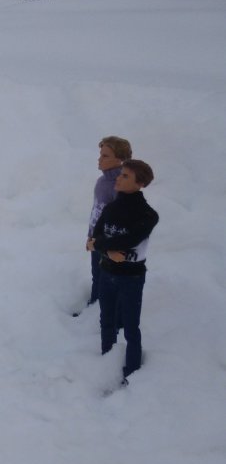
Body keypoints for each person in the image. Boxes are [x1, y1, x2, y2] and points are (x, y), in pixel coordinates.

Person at [87, 159, 158, 381]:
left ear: (140, 184)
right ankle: (106, 363)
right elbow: (94, 239)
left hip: (131, 277)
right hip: (107, 273)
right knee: (106, 321)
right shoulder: (110, 208)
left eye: (126, 176)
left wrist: (100, 246)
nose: (119, 177)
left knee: (130, 327)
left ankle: (132, 372)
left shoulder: (148, 215)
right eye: (121, 174)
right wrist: (107, 251)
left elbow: (128, 241)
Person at [86, 136, 132, 306]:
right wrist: (90, 236)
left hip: (111, 245)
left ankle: (113, 316)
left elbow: (123, 221)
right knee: (96, 275)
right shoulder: (101, 182)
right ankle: (93, 307)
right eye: (100, 154)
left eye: (105, 156)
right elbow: (96, 212)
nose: (99, 159)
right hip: (96, 241)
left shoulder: (121, 186)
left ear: (121, 160)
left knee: (110, 280)